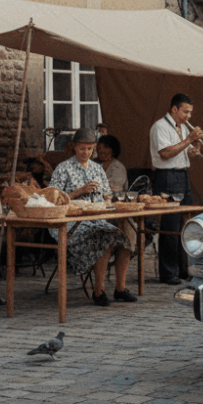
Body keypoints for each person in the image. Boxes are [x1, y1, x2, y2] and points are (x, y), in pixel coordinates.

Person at [49, 128, 134, 307]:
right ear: (74, 147)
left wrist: (108, 199)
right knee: (105, 237)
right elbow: (53, 199)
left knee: (124, 240)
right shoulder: (63, 168)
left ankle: (120, 288)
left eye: (89, 149)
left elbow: (107, 194)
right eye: (82, 149)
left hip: (97, 217)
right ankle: (99, 290)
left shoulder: (97, 169)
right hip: (70, 222)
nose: (86, 152)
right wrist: (80, 191)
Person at [149, 93, 203, 285]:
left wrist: (194, 148)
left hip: (182, 174)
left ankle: (184, 269)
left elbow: (180, 152)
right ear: (174, 109)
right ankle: (167, 272)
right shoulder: (160, 127)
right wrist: (189, 139)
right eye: (185, 111)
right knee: (170, 225)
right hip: (167, 176)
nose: (188, 116)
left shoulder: (181, 127)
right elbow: (165, 154)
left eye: (190, 112)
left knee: (185, 223)